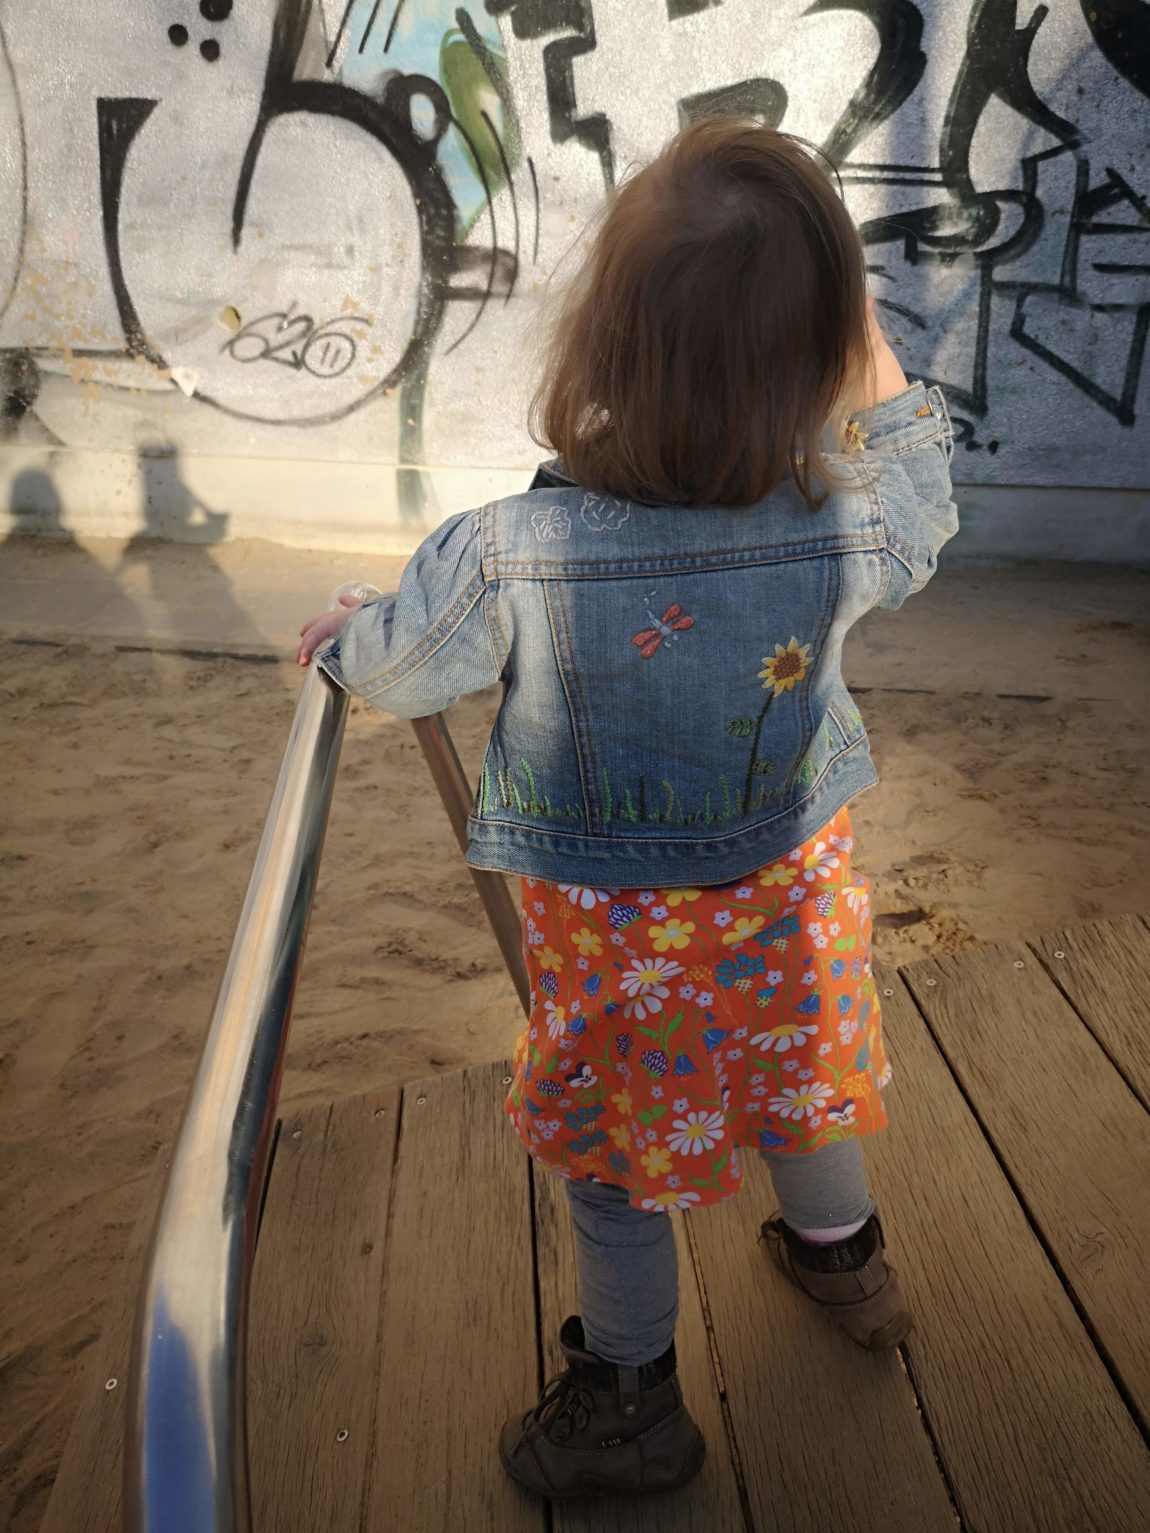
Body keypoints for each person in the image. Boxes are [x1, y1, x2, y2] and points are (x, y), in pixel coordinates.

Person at [298, 119, 957, 1502]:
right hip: (786, 905)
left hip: (618, 953)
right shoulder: (844, 528)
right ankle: (842, 1261)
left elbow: (404, 661)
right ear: (820, 351)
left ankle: (631, 1400)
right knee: (793, 1080)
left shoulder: (511, 550)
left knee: (613, 1168)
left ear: (600, 340)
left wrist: (346, 635)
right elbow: (919, 495)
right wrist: (871, 367)